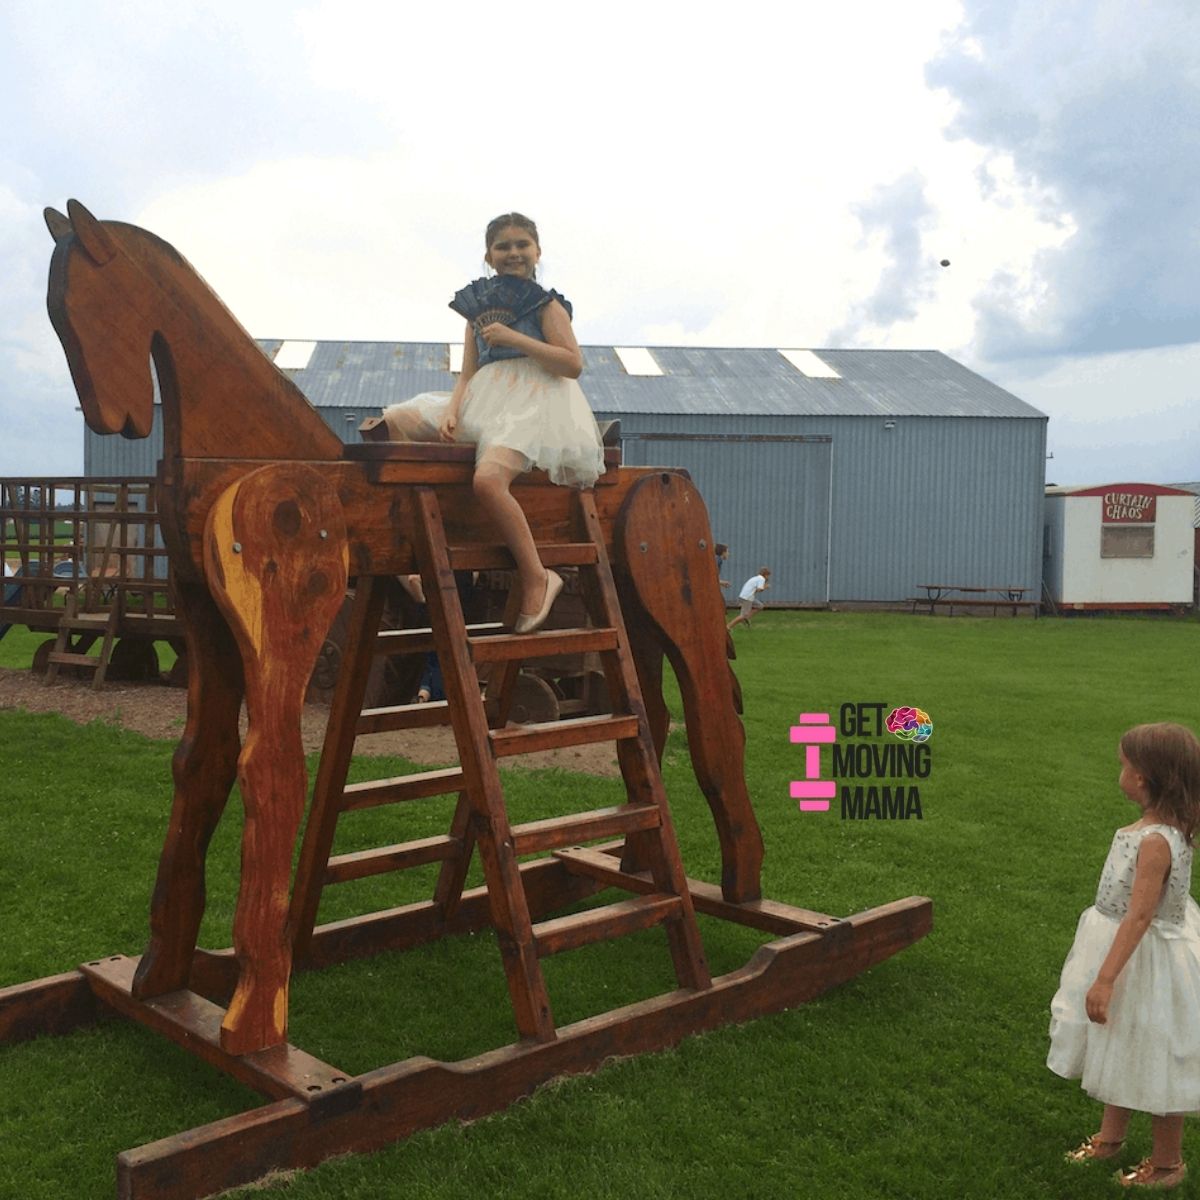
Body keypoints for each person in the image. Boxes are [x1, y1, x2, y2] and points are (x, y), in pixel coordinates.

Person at [382, 213, 604, 634]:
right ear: (489, 255)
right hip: (484, 398)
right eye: (503, 246)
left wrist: (516, 339)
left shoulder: (546, 304)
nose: (513, 253)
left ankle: (539, 574)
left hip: (536, 402)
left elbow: (573, 364)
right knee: (396, 421)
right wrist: (452, 409)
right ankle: (415, 558)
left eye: (522, 244)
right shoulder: (477, 309)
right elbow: (467, 373)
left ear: (538, 251)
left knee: (487, 480)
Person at [1048, 722, 1200, 1190]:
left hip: (1142, 961)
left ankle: (1169, 1163)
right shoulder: (1164, 829)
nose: (1121, 772)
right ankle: (1111, 1138)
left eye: (1124, 765)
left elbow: (1139, 917)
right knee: (1123, 1042)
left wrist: (1105, 979)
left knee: (1155, 1052)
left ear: (1143, 778)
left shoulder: (1154, 841)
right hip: (1134, 952)